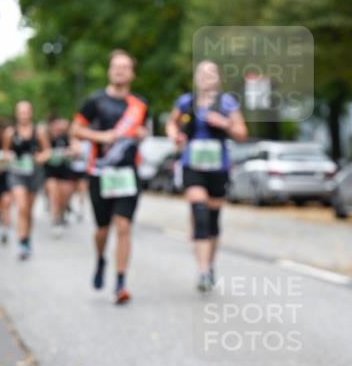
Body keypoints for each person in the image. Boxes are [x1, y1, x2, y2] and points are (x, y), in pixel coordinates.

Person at [71, 49, 149, 304]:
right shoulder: (95, 101)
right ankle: (101, 259)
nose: (119, 71)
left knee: (124, 227)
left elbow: (144, 130)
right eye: (116, 66)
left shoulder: (140, 104)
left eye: (125, 67)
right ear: (109, 70)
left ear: (132, 74)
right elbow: (76, 129)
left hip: (127, 173)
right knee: (102, 230)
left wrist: (141, 135)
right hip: (100, 173)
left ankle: (120, 281)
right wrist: (100, 137)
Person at [166, 60, 248, 292]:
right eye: (201, 73)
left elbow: (242, 132)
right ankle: (202, 271)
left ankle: (210, 265)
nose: (206, 77)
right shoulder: (186, 102)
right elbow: (171, 125)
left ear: (218, 78)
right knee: (199, 213)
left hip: (218, 166)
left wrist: (224, 123)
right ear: (195, 78)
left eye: (211, 72)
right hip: (192, 164)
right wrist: (176, 136)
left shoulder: (227, 103)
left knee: (212, 220)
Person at [2, 101, 51, 260]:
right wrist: (8, 156)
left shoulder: (39, 131)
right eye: (20, 112)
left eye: (26, 112)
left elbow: (47, 151)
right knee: (21, 207)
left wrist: (40, 158)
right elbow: (5, 152)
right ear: (16, 114)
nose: (23, 115)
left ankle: (27, 238)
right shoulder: (10, 132)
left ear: (31, 113)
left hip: (34, 173)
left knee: (28, 210)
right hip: (17, 173)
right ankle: (21, 241)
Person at [43, 115, 78, 234]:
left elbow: (76, 150)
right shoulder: (46, 137)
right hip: (51, 171)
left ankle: (62, 213)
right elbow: (41, 153)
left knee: (65, 195)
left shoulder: (67, 137)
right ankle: (55, 219)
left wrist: (70, 152)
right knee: (54, 194)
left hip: (65, 171)